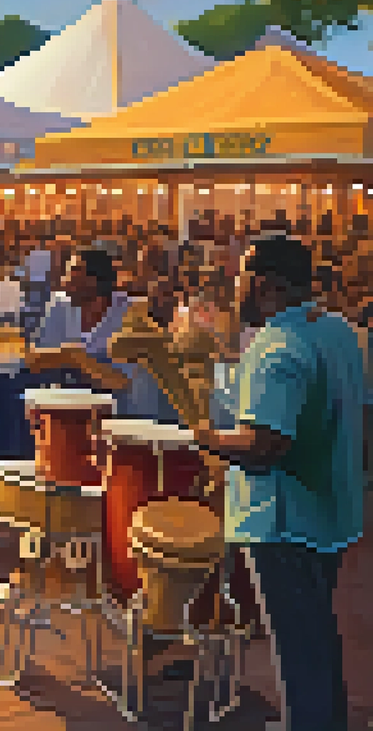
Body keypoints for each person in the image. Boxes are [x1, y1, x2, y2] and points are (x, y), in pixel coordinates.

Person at [194, 235, 362, 731]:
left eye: (241, 278)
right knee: (317, 637)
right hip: (332, 512)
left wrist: (209, 439)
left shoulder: (277, 348)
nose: (235, 289)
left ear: (264, 284)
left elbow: (265, 448)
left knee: (296, 651)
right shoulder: (339, 332)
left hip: (282, 522)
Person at [30, 247, 175, 420]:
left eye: (73, 273)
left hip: (125, 415)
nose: (64, 281)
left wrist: (76, 358)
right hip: (72, 409)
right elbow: (36, 361)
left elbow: (121, 381)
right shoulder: (59, 305)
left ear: (94, 281)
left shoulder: (132, 312)